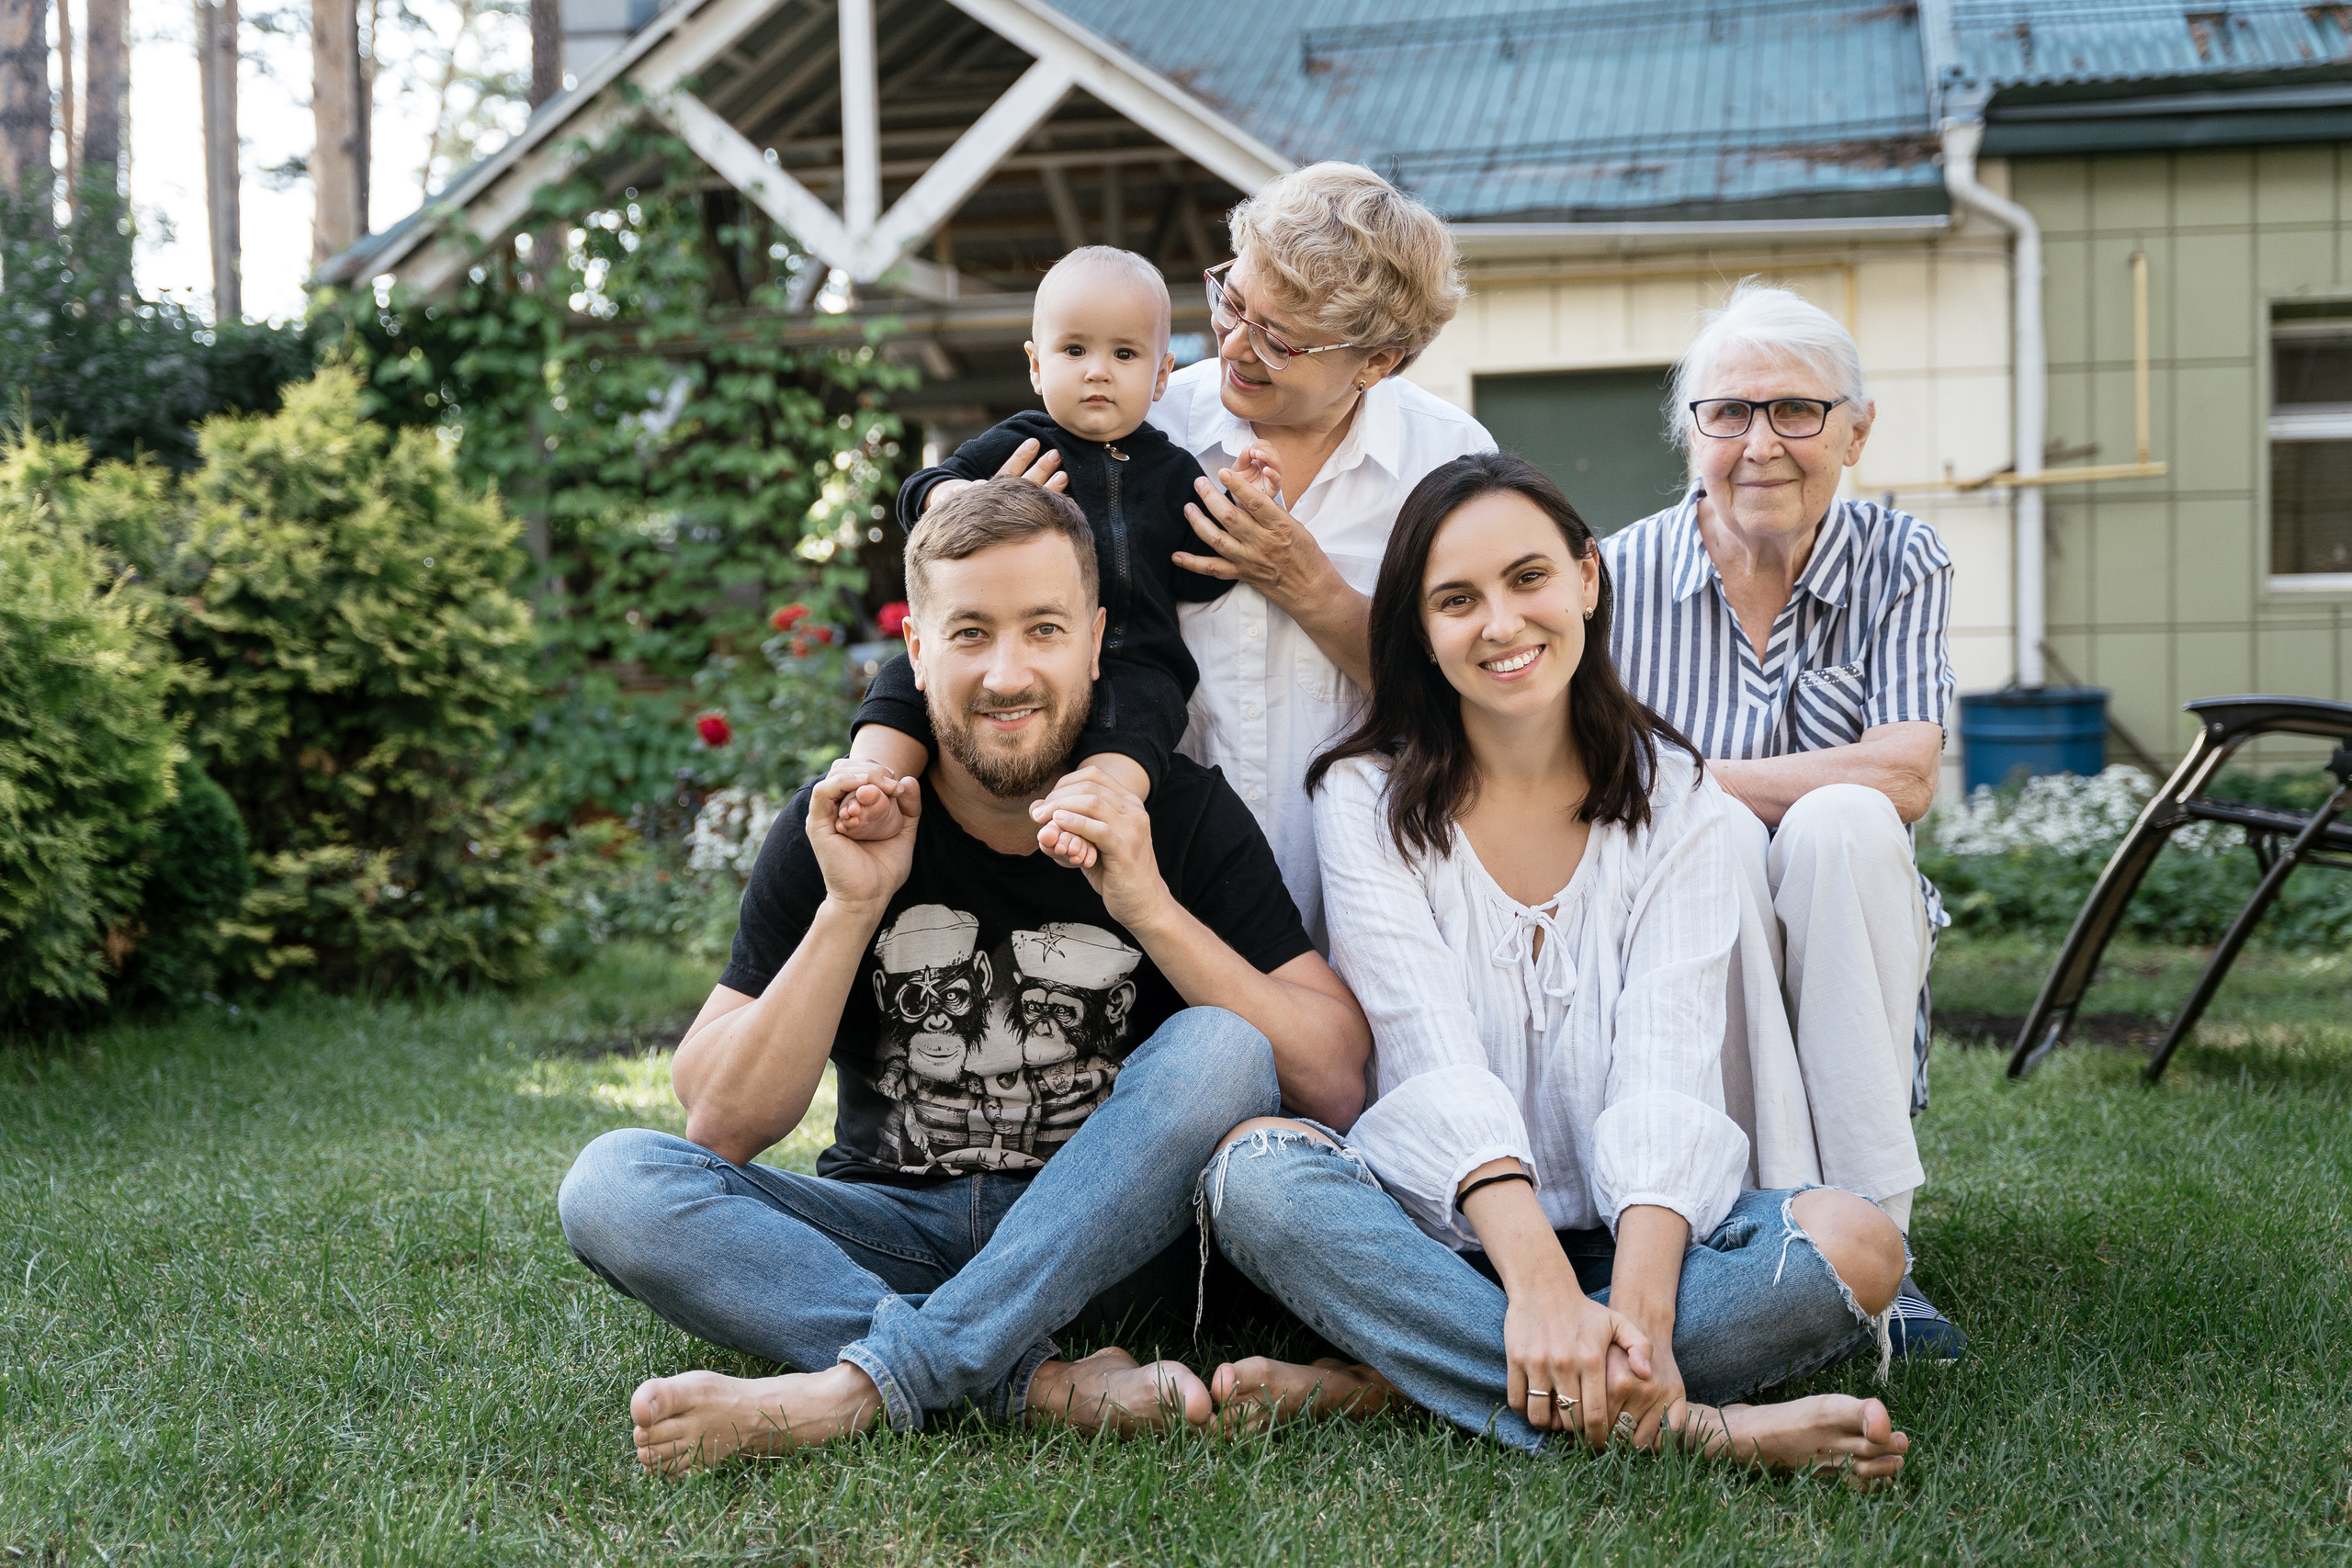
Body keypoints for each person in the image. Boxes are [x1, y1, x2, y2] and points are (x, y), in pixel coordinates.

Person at [557, 479, 1371, 1472]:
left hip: (1114, 1254)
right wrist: (850, 905)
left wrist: (1148, 906)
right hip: (894, 1230)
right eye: (971, 633)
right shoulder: (838, 819)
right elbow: (720, 1122)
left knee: (1224, 1046)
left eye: (1042, 629)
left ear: (1095, 639)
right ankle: (1029, 1383)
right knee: (612, 1182)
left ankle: (858, 1390)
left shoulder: (1183, 817)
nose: (1006, 672)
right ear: (917, 649)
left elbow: (1331, 1078)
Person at [1195, 453, 1914, 1485]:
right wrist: (1530, 1287)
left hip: (1642, 1241)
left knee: (1858, 1243)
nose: (1499, 624)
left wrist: (1639, 1313)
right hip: (1437, 1239)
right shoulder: (1361, 797)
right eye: (1456, 600)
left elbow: (1667, 1066)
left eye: (1526, 578)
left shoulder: (1681, 800)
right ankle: (1690, 1426)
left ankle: (1400, 1383)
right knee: (1253, 1174)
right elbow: (1424, 1050)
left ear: (1585, 578)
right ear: (1421, 634)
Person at [1600, 279, 1962, 1358]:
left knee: (1843, 824)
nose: (1761, 442)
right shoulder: (1609, 579)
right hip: (1678, 924)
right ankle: (1786, 1237)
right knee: (1711, 842)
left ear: (1854, 430)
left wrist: (1698, 771)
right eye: (1729, 412)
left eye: (1795, 410)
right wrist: (1711, 795)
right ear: (1690, 434)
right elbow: (1605, 787)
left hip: (1846, 911)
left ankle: (1874, 1252)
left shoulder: (1902, 560)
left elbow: (1903, 779)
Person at [1150, 161, 1496, 949]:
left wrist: (1307, 586)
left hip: (1384, 898)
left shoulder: (1448, 459)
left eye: (1279, 339)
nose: (1234, 343)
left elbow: (1479, 698)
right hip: (1174, 892)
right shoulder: (1154, 426)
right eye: (1232, 301)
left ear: (1377, 363)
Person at [839, 245, 1261, 863]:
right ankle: (871, 776)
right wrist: (962, 495)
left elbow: (1197, 578)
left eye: (1124, 354)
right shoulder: (1020, 441)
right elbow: (917, 494)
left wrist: (1245, 504)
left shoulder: (1174, 471)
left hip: (1132, 655)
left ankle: (1092, 813)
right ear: (1037, 366)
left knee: (1150, 711)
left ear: (1162, 374)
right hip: (1013, 640)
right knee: (913, 673)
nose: (1097, 371)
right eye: (1074, 350)